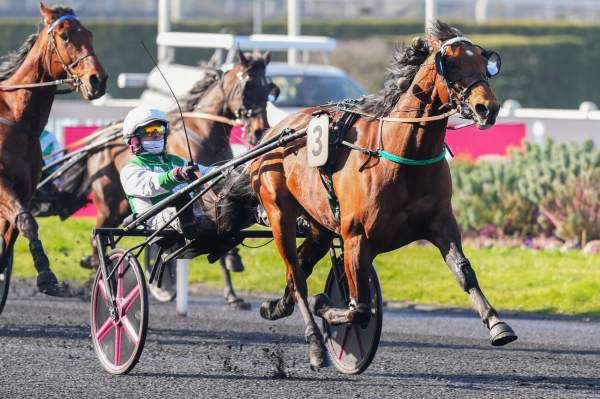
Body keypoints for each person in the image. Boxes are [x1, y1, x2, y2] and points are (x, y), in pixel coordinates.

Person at [120, 106, 213, 236]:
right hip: (154, 222)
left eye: (159, 129)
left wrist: (237, 169)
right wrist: (176, 175)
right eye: (149, 130)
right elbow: (152, 184)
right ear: (134, 139)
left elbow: (207, 172)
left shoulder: (177, 161)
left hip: (188, 213)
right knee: (183, 199)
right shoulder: (131, 169)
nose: (156, 133)